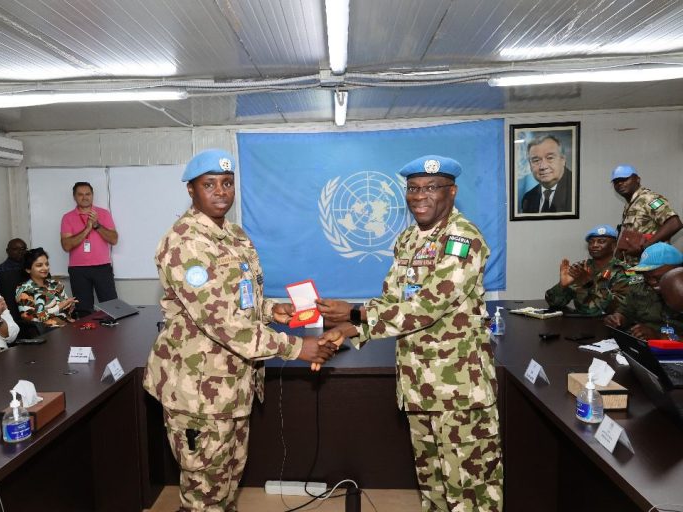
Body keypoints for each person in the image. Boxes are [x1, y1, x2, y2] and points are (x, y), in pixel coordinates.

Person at [143, 149, 337, 512]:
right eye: (209, 184)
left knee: (227, 484)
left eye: (227, 183)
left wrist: (272, 309)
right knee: (204, 495)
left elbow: (240, 299)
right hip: (199, 392)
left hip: (233, 385)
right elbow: (221, 321)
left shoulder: (232, 234)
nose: (220, 191)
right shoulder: (185, 242)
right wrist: (297, 348)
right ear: (191, 190)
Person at [316, 155, 502, 512]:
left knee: (469, 491)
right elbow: (394, 301)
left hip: (458, 392)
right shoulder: (408, 239)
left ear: (452, 192)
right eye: (414, 188)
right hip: (418, 386)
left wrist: (354, 312)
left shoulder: (462, 239)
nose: (420, 196)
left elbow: (428, 306)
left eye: (431, 188)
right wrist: (350, 329)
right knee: (433, 487)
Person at [60, 181, 119, 316]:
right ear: (74, 197)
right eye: (80, 194)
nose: (85, 197)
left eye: (88, 194)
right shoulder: (67, 217)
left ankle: (112, 330)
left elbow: (114, 239)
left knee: (111, 306)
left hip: (102, 267)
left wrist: (96, 225)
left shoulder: (104, 214)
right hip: (78, 270)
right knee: (83, 310)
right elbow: (66, 245)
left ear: (92, 195)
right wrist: (87, 229)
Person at [544, 224, 631, 315]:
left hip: (606, 322)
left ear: (614, 245)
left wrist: (589, 285)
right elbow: (554, 302)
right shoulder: (581, 267)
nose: (594, 245)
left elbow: (618, 308)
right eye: (591, 242)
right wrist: (562, 286)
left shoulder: (625, 271)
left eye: (601, 241)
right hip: (580, 321)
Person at [605, 242, 683, 340]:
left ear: (679, 269)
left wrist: (659, 337)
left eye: (659, 277)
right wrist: (617, 319)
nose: (651, 282)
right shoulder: (639, 284)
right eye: (647, 276)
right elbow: (626, 312)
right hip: (641, 343)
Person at [611, 164, 682, 264]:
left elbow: (674, 223)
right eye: (616, 182)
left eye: (624, 179)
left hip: (654, 263)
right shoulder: (630, 204)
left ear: (637, 179)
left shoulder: (649, 198)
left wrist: (645, 247)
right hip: (637, 264)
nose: (620, 184)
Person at [15, 247, 78, 328]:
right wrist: (58, 307)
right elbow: (30, 318)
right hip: (49, 331)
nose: (45, 268)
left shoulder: (56, 284)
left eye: (47, 264)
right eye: (39, 265)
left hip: (69, 326)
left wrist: (69, 306)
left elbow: (66, 310)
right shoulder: (25, 290)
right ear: (28, 269)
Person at [521, 135, 573, 213]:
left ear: (563, 160)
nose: (543, 166)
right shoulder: (528, 198)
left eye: (550, 158)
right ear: (530, 165)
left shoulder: (579, 189)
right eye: (536, 160)